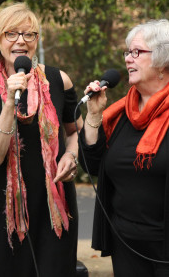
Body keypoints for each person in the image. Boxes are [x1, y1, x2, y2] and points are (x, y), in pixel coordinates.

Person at [0, 3, 83, 277]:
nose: (21, 41)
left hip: (55, 207)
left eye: (28, 34)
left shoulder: (59, 80)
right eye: (11, 34)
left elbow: (74, 132)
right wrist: (9, 103)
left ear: (36, 41)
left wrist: (71, 155)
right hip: (5, 212)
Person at [79, 19, 169, 277]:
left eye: (137, 52)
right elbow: (92, 167)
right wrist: (94, 117)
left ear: (163, 61)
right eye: (127, 52)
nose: (128, 59)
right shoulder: (120, 114)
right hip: (126, 245)